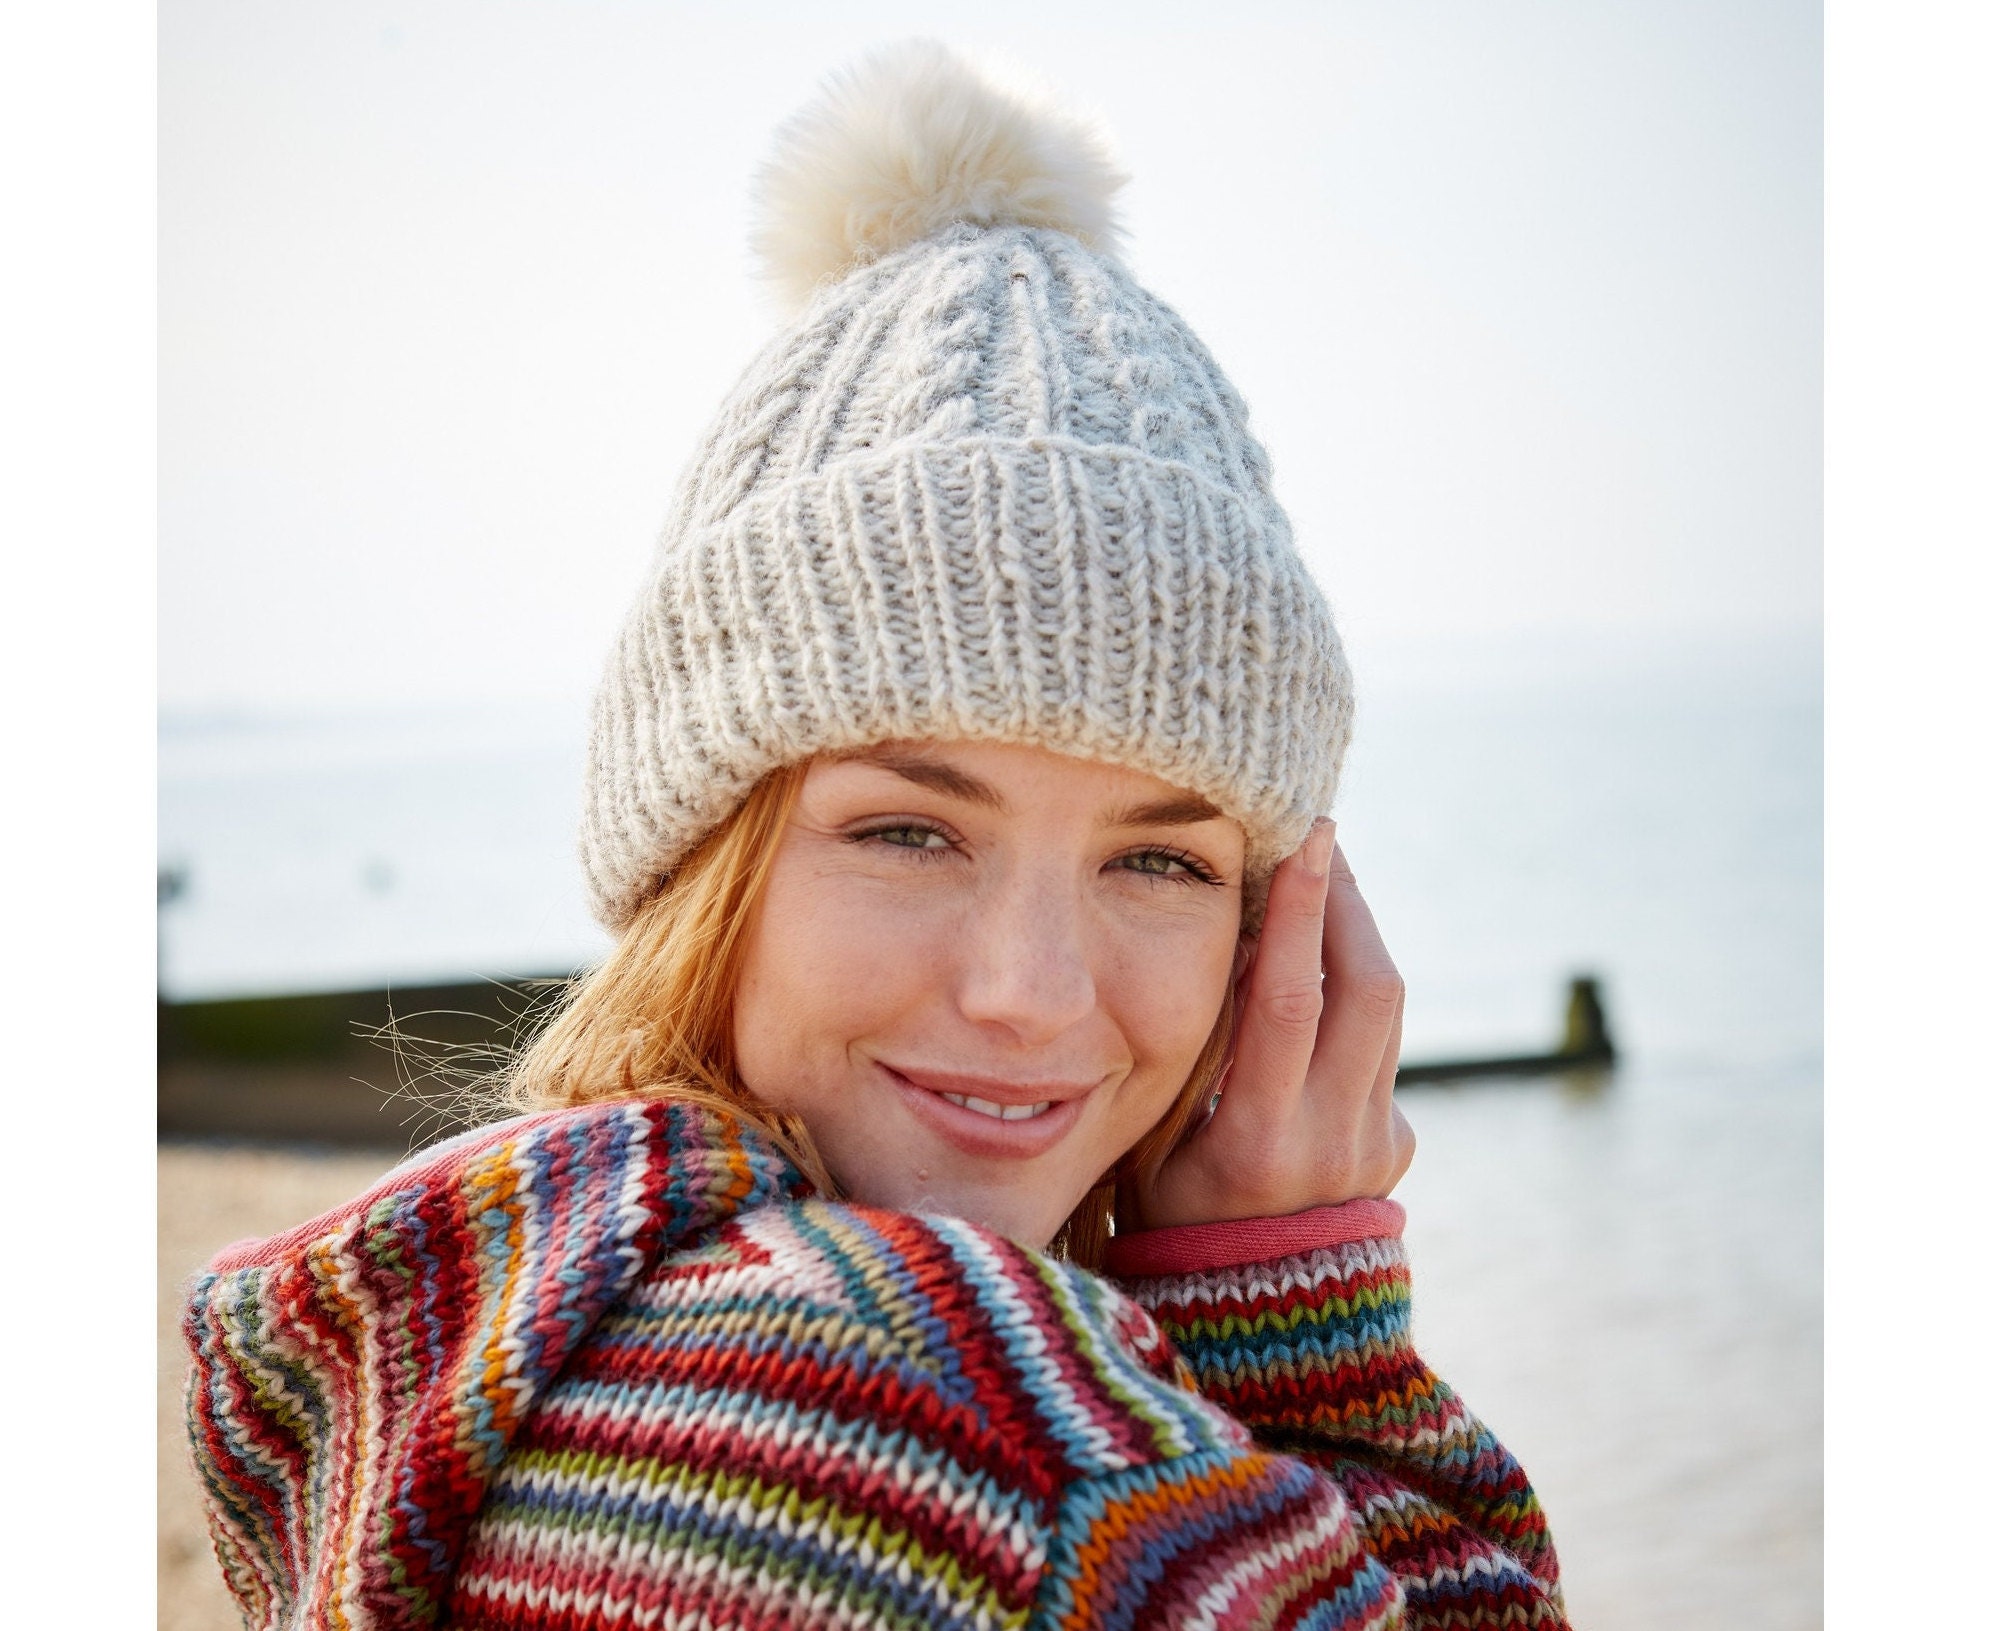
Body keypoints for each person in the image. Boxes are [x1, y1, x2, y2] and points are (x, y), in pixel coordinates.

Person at [183, 42, 1569, 1630]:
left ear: (1272, 937)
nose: (1031, 993)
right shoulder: (929, 1420)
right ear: (705, 862)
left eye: (1160, 861)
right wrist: (1299, 1316)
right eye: (908, 831)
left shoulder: (500, 1319)